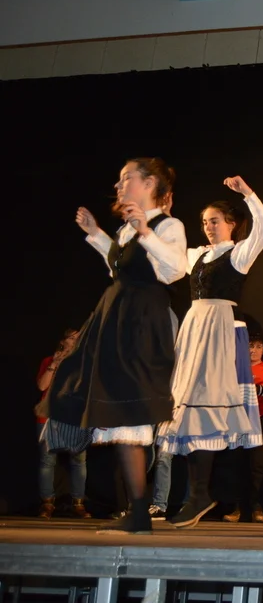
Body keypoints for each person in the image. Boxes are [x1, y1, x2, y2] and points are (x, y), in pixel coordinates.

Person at [43, 158, 186, 535]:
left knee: (130, 408)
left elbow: (175, 269)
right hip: (116, 317)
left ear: (149, 183)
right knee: (116, 408)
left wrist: (145, 231)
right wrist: (96, 233)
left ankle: (139, 512)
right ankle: (136, 511)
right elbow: (119, 267)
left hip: (141, 321)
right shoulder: (126, 228)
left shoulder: (167, 225)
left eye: (127, 179)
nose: (119, 186)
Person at [156, 175, 263, 528]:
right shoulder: (197, 255)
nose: (208, 227)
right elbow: (166, 258)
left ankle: (200, 494)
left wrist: (248, 193)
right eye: (205, 222)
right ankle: (197, 494)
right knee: (191, 411)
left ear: (231, 224)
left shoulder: (238, 254)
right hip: (195, 329)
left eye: (215, 221)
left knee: (208, 409)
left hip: (220, 330)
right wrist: (162, 218)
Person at [223, 331, 263, 523]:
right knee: (236, 464)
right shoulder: (236, 367)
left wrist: (254, 389)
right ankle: (237, 508)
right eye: (250, 346)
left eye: (258, 347)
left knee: (258, 466)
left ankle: (256, 507)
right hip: (238, 420)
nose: (253, 350)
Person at [35, 329, 91, 520]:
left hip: (75, 418)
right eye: (72, 337)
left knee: (78, 461)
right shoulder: (48, 360)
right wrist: (54, 364)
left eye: (78, 338)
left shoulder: (84, 362)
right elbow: (42, 386)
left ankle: (78, 503)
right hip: (49, 417)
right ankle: (47, 504)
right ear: (63, 341)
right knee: (47, 461)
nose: (75, 341)